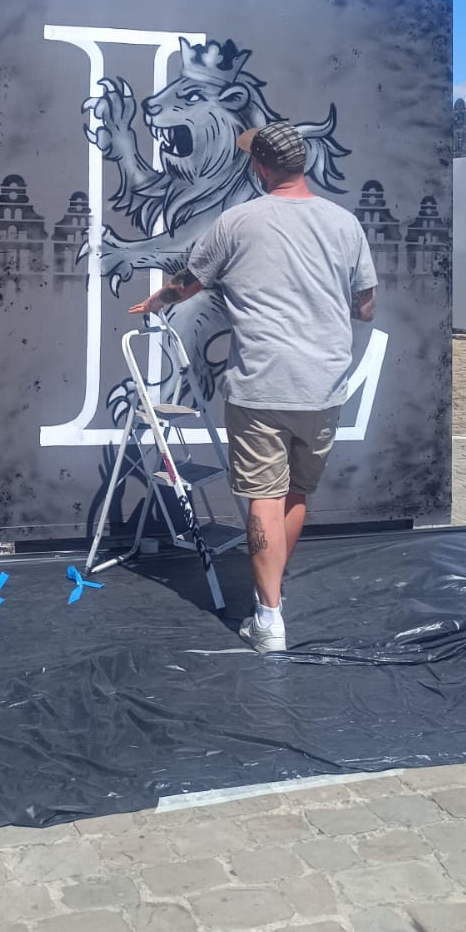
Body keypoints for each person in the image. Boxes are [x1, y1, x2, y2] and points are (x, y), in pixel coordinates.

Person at [131, 119, 376, 655]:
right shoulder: (345, 223)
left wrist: (156, 301)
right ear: (303, 163)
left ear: (260, 166)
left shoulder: (237, 221)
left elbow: (187, 284)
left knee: (264, 496)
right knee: (297, 494)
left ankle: (268, 618)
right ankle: (273, 593)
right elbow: (365, 307)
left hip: (262, 383)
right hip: (323, 386)